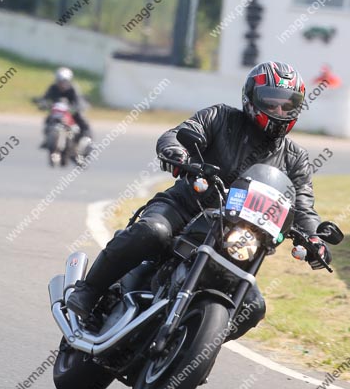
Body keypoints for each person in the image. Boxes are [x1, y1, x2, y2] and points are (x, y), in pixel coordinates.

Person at [67, 61, 332, 339]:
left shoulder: (295, 158)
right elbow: (175, 135)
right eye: (271, 102)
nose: (279, 111)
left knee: (253, 307)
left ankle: (193, 345)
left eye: (287, 105)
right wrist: (179, 155)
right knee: (152, 232)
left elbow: (302, 203)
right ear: (251, 98)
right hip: (185, 207)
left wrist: (314, 237)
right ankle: (89, 292)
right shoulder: (221, 117)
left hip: (238, 236)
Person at [38, 67, 92, 144]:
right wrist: (43, 103)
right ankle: (49, 139)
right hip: (57, 111)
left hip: (71, 111)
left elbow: (79, 100)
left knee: (81, 119)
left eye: (64, 81)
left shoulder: (73, 88)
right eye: (59, 81)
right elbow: (45, 98)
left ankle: (87, 139)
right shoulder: (53, 88)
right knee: (48, 120)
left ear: (69, 81)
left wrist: (77, 107)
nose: (62, 84)